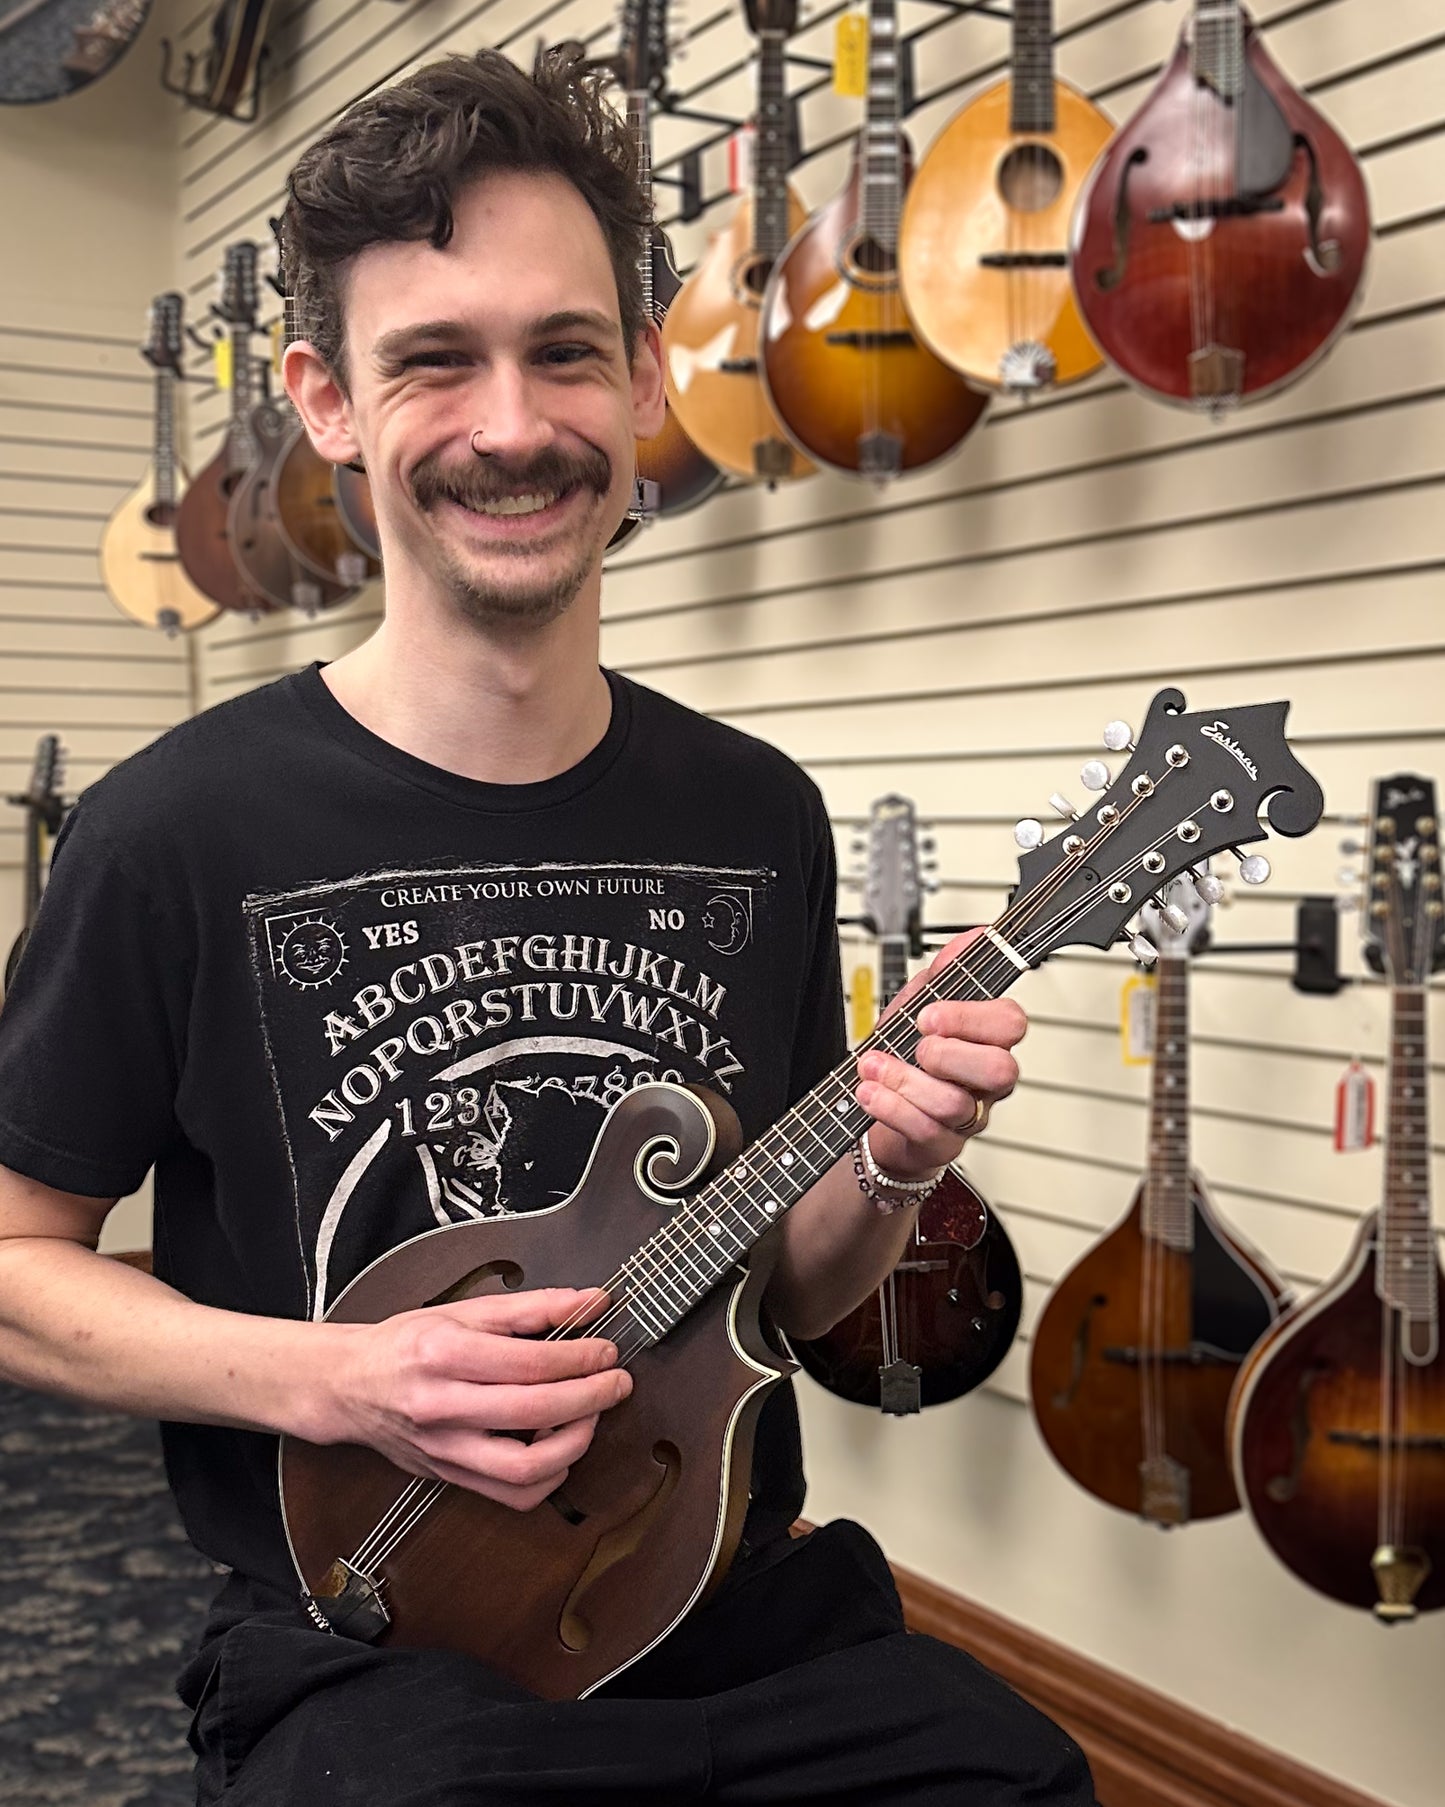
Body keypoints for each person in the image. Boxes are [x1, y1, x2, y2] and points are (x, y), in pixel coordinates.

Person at [0, 47, 1093, 1807]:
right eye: (434, 360)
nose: (512, 426)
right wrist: (342, 1381)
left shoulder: (755, 818)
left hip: (722, 1595)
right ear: (327, 400)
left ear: (644, 376)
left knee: (1012, 1776)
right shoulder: (171, 831)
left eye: (564, 351)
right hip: (379, 1639)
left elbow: (789, 1300)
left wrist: (888, 1167)